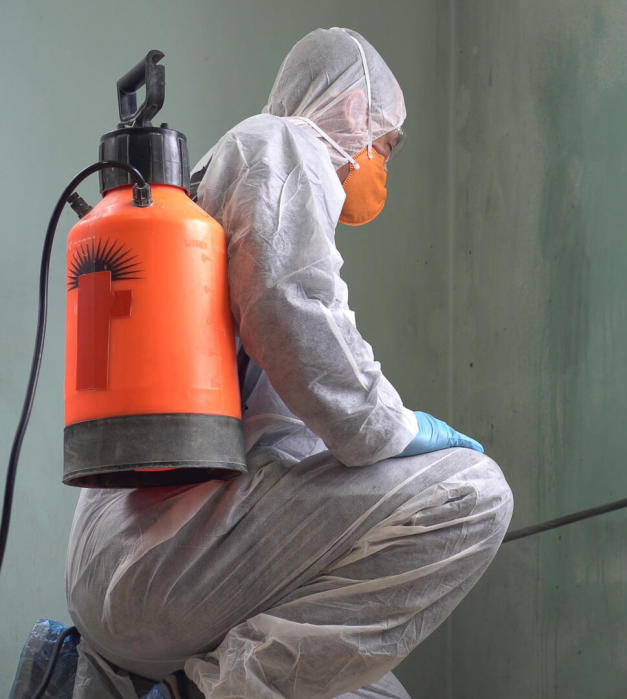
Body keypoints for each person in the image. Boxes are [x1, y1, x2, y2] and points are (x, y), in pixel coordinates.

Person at [64, 28, 512, 698]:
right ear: (358, 111)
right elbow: (291, 307)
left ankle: (193, 680)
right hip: (165, 563)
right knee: (475, 493)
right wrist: (400, 430)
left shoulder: (208, 185)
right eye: (385, 145)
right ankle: (220, 690)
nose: (379, 163)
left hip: (125, 572)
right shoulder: (281, 144)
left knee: (376, 691)